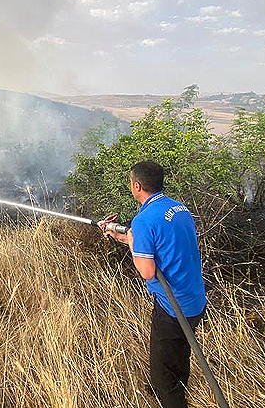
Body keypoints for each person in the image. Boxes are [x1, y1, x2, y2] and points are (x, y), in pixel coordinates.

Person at [99, 160, 207, 408]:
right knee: (180, 350)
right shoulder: (179, 208)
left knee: (162, 376)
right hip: (195, 298)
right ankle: (176, 384)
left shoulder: (144, 220)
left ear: (136, 186)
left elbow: (147, 271)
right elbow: (161, 246)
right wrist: (123, 236)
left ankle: (169, 395)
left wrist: (133, 236)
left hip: (173, 306)